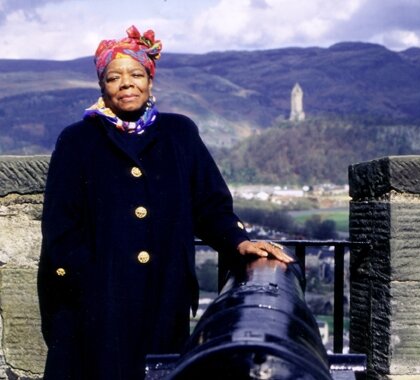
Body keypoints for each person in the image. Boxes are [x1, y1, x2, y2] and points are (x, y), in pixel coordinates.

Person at [37, 25, 293, 380]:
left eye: (136, 74)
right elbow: (60, 229)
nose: (126, 83)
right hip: (96, 307)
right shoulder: (77, 141)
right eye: (114, 77)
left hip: (163, 297)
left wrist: (240, 242)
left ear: (150, 80)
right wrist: (95, 288)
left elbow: (210, 205)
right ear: (102, 86)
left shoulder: (180, 134)